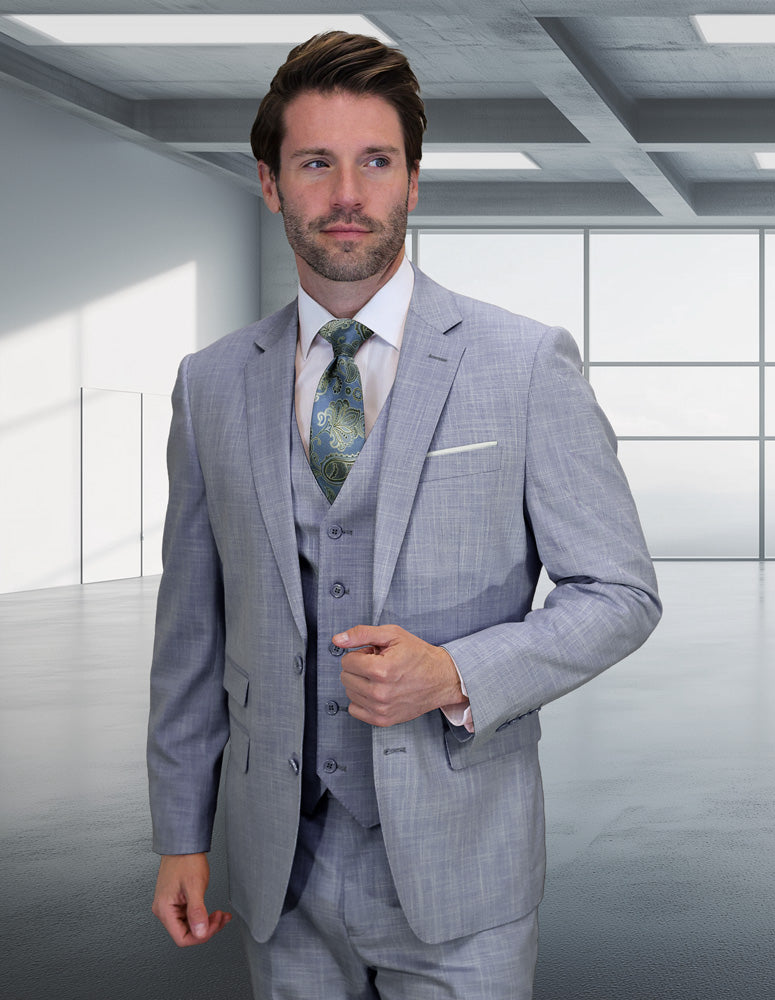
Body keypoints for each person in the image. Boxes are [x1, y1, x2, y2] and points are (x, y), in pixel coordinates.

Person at [147, 30, 661, 999]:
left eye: (376, 161)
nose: (348, 194)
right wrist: (180, 833)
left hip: (461, 872)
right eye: (316, 163)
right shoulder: (209, 384)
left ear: (413, 181)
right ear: (270, 184)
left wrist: (458, 670)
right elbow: (189, 635)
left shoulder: (521, 362)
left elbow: (620, 592)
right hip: (279, 877)